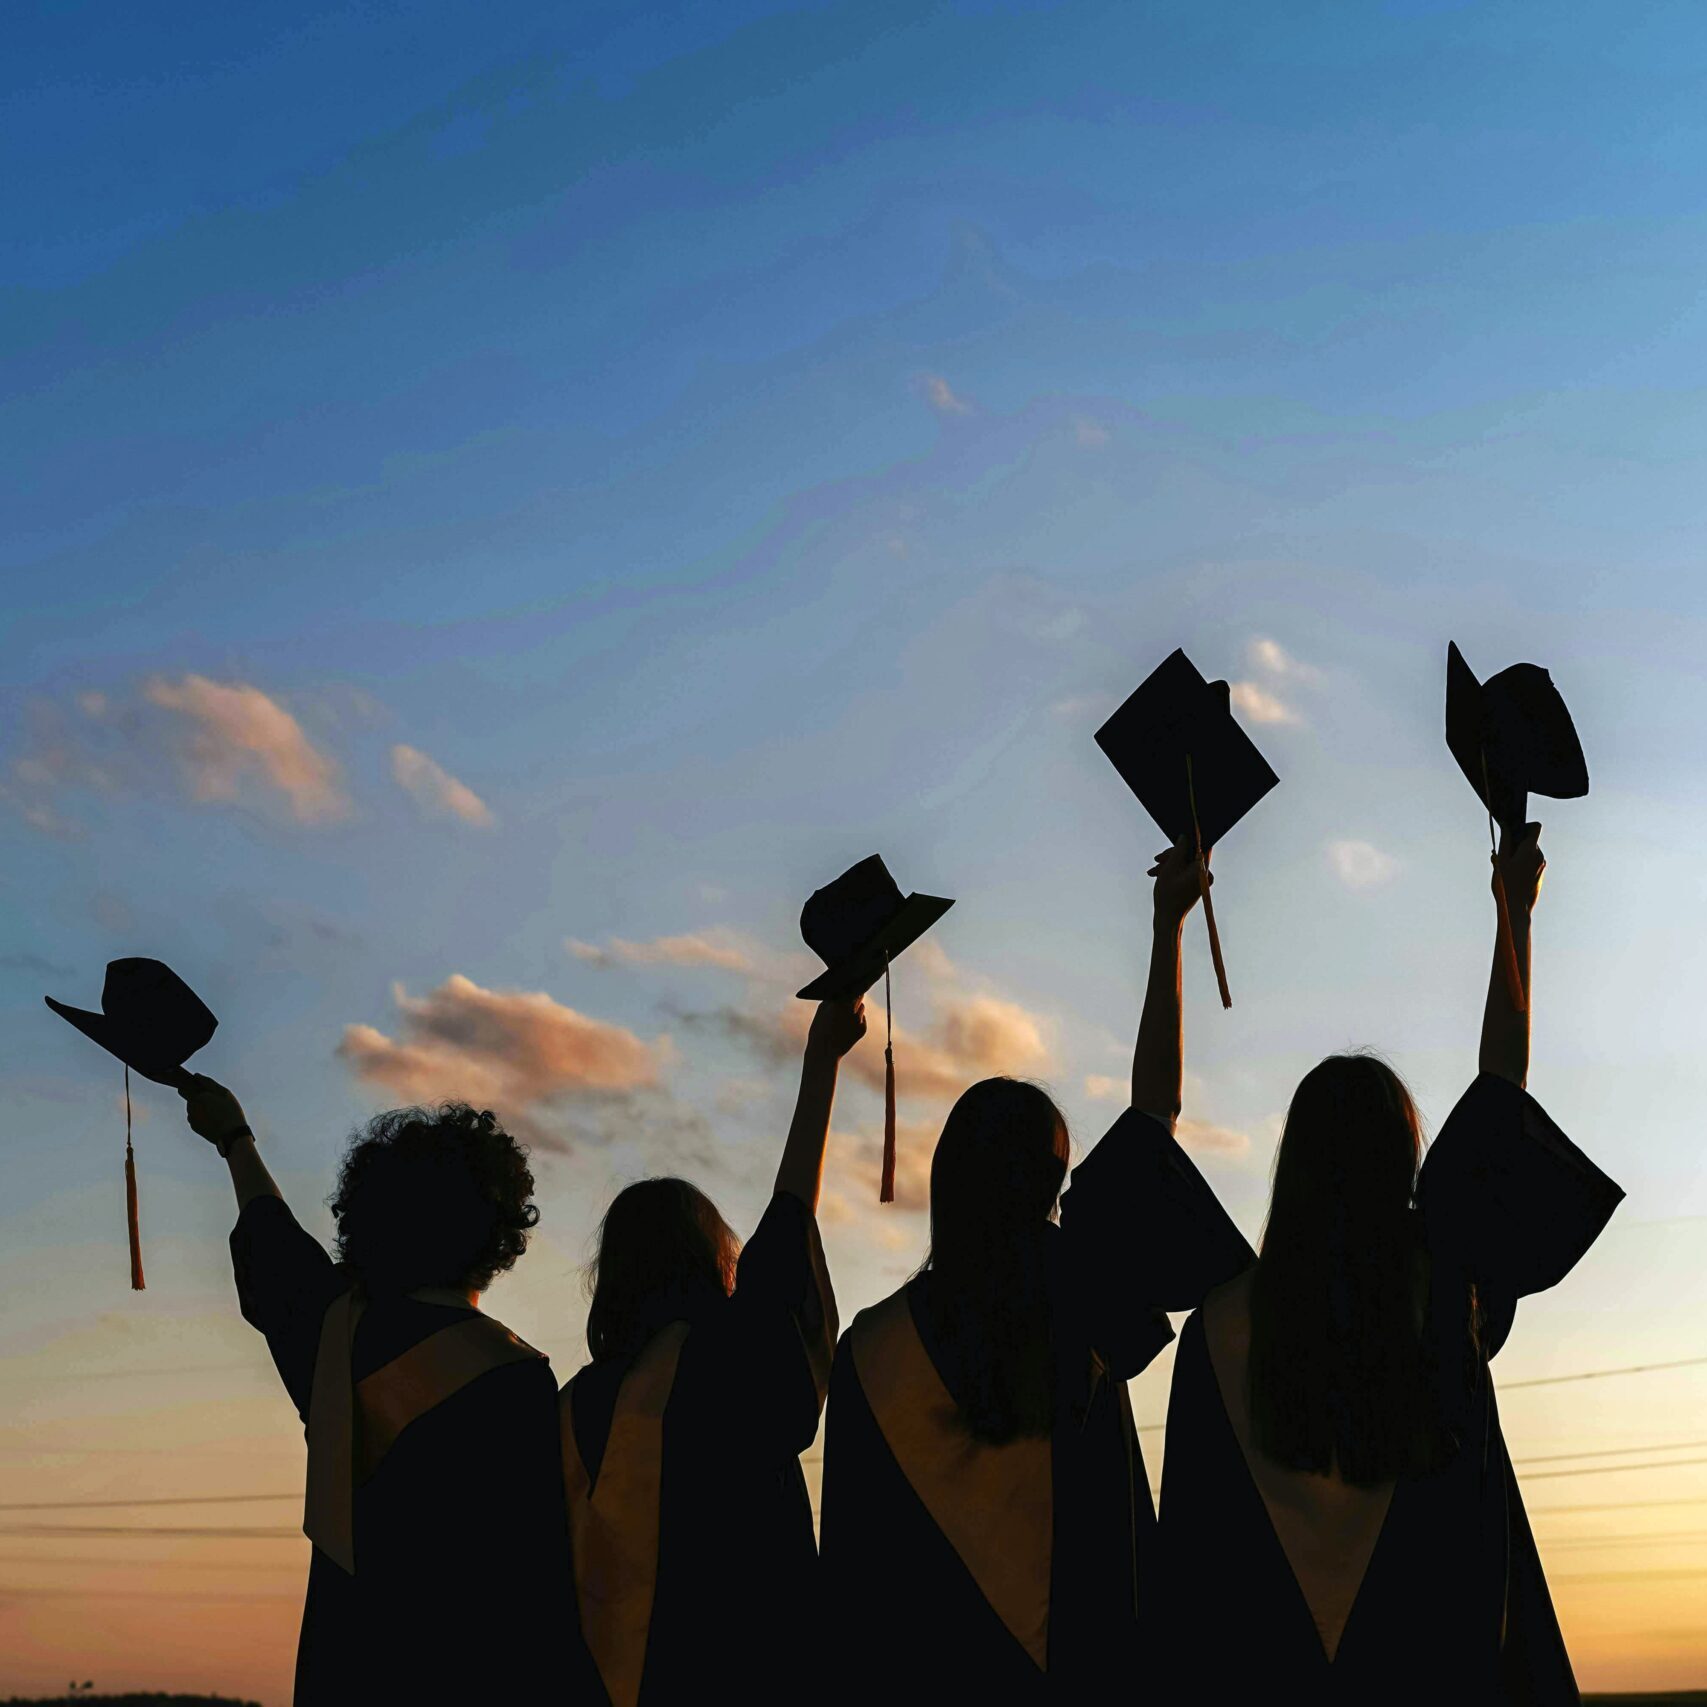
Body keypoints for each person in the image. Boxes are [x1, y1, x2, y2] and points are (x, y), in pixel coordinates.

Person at [1156, 826, 1624, 1704]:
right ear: (1401, 1164)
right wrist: (1513, 913)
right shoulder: (1440, 1290)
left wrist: (1165, 929)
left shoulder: (1217, 1326)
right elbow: (1500, 1097)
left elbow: (1190, 1559)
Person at [818, 842, 1253, 1701]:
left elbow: (850, 1587)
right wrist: (1166, 928)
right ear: (1054, 1181)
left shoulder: (872, 1351)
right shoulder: (1081, 1281)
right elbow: (1151, 1118)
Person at [179, 1077, 593, 1706]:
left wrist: (234, 1137)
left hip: (342, 1670)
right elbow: (537, 1591)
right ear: (498, 1230)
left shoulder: (333, 1332)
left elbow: (274, 1247)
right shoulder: (514, 1379)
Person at [558, 997, 862, 1707]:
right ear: (712, 1262)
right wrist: (820, 1064)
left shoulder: (572, 1405)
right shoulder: (724, 1361)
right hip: (744, 1668)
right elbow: (787, 1230)